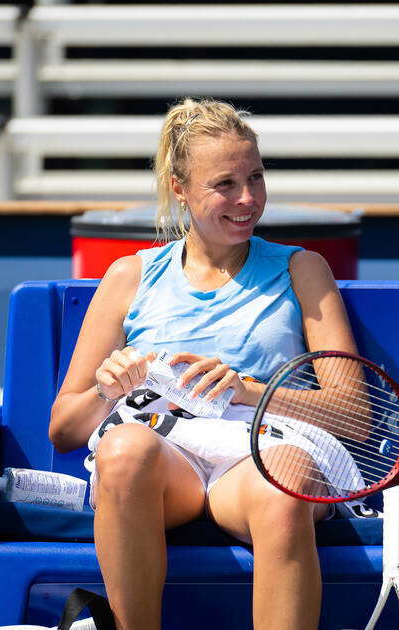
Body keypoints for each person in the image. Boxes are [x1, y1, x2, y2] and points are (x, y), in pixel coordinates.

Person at [48, 97, 359, 630]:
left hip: (261, 454)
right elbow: (63, 430)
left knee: (284, 479)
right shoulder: (129, 276)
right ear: (179, 188)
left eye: (256, 178)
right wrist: (108, 390)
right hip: (168, 468)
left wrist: (247, 390)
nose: (247, 199)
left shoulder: (303, 268)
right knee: (122, 449)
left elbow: (354, 411)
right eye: (225, 184)